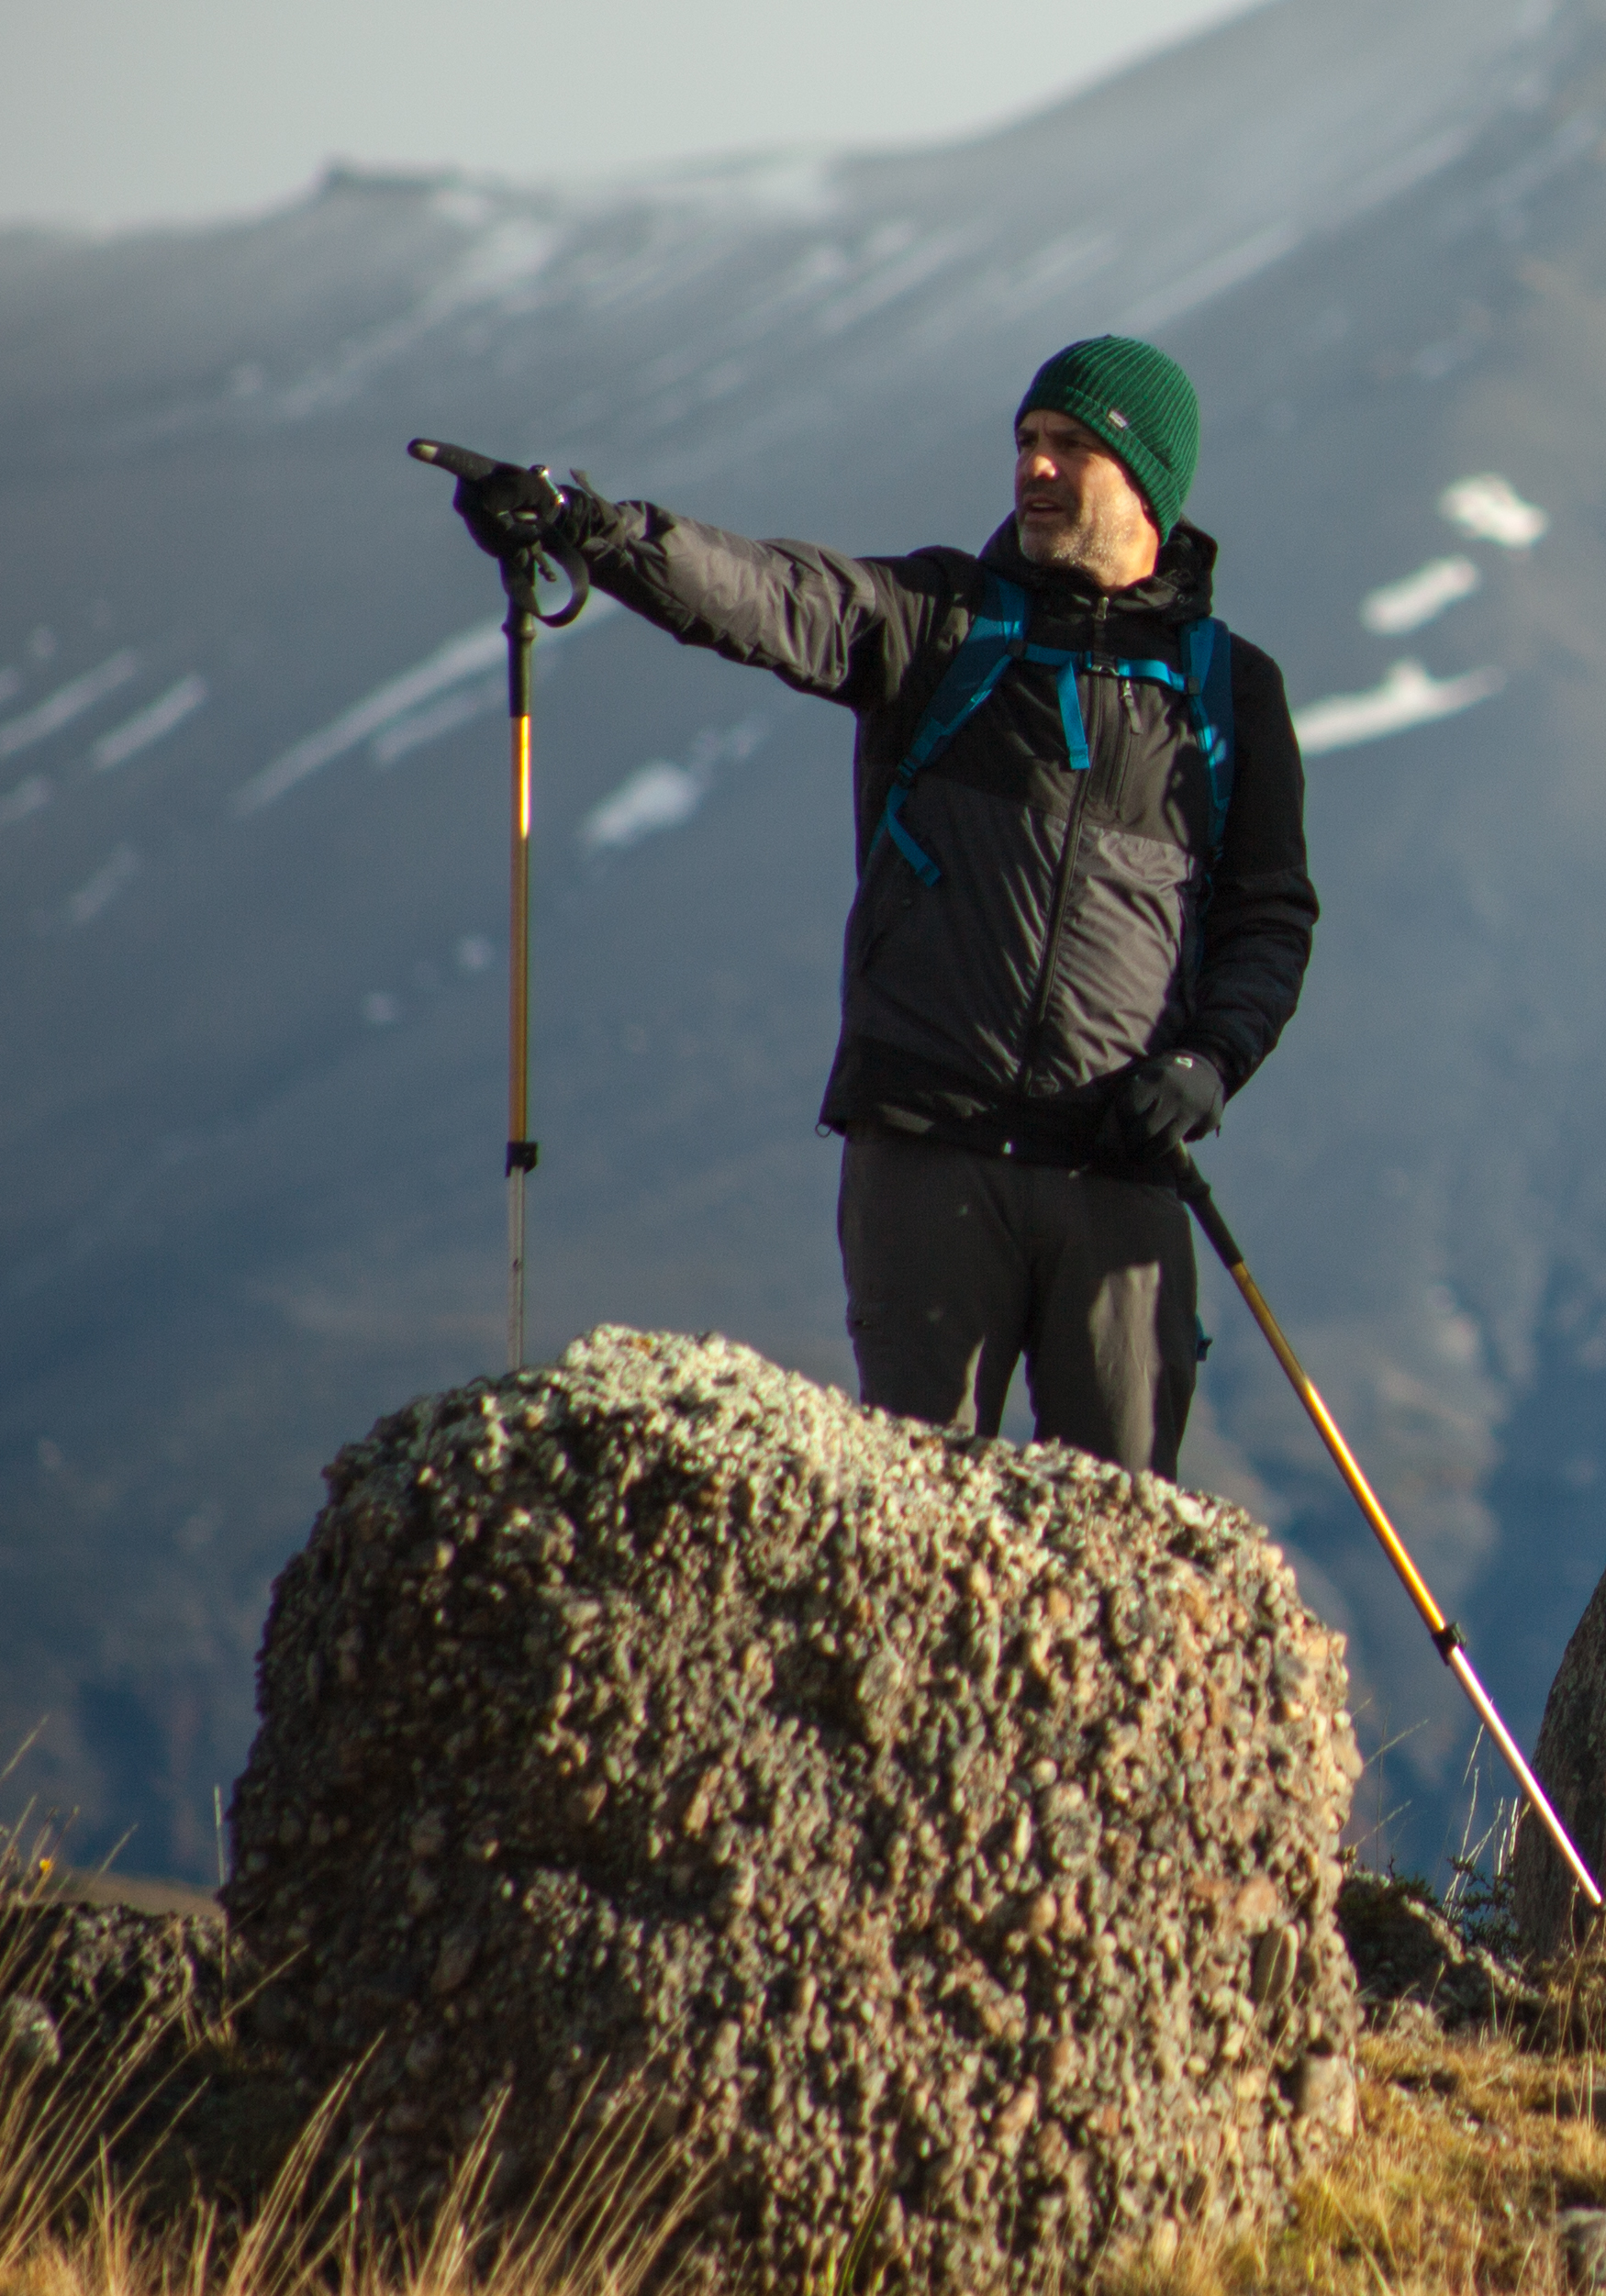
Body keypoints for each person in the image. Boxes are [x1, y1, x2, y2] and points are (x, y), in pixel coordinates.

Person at [443, 334, 1313, 1478]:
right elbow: (769, 597)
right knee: (909, 1533)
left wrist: (1208, 1066)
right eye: (1027, 443)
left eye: (1071, 447)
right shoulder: (943, 619)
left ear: (1147, 479)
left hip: (1120, 1168)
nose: (1036, 468)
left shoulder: (1228, 689)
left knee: (1123, 1541)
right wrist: (599, 533)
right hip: (926, 1159)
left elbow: (1269, 917)